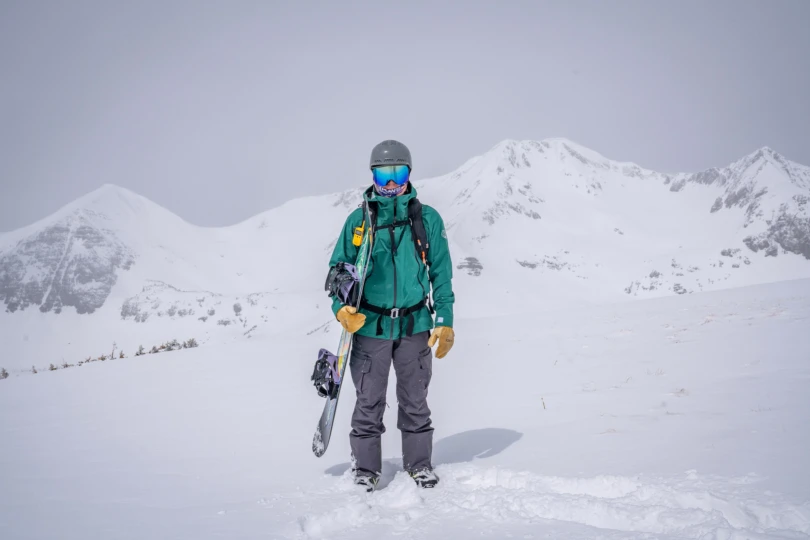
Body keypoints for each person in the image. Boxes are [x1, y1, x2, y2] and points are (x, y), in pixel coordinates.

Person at [327, 140, 455, 492]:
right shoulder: (359, 221)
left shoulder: (426, 219)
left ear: (409, 174)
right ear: (372, 175)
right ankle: (366, 469)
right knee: (369, 400)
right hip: (371, 326)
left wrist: (445, 319)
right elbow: (338, 273)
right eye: (383, 174)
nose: (390, 183)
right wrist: (342, 310)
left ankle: (420, 465)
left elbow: (441, 274)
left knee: (415, 398)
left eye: (397, 173)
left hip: (415, 324)